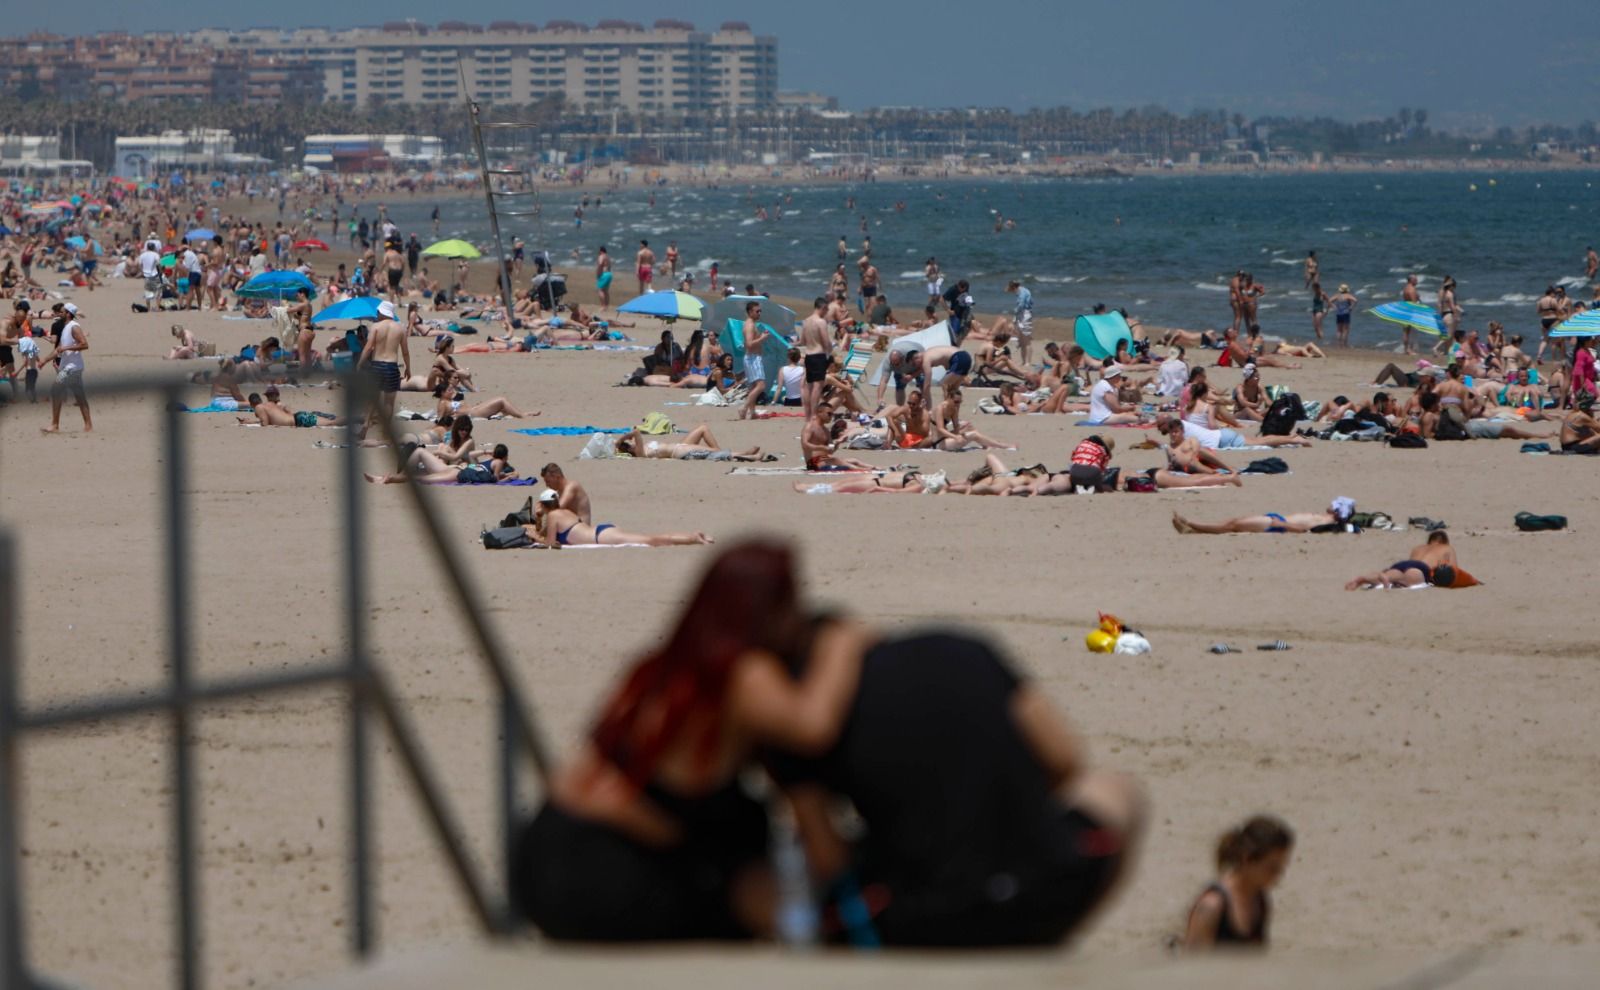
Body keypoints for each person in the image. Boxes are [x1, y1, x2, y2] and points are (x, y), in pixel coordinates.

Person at [770, 607, 1146, 946]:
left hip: (919, 916)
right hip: (1039, 885)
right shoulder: (959, 649)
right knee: (1117, 790)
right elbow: (1064, 760)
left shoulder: (798, 727)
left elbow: (827, 859)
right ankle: (1049, 942)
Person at [1182, 816, 1294, 950]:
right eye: (1271, 868)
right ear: (1246, 859)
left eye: (1281, 868)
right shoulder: (1212, 906)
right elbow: (1192, 966)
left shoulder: (1259, 901)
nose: (1278, 876)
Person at [527, 499, 711, 549]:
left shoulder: (553, 517)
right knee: (648, 539)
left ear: (543, 505)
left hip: (601, 537)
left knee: (651, 540)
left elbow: (551, 542)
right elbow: (546, 534)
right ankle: (693, 537)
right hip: (602, 531)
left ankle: (693, 537)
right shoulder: (564, 512)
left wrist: (536, 538)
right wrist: (537, 520)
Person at [357, 300, 411, 439]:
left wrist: (360, 364)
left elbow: (368, 348)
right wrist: (408, 368)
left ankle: (365, 426)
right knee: (389, 403)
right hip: (391, 367)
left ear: (381, 312)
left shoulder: (375, 327)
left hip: (377, 365)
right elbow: (405, 351)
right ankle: (385, 432)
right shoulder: (400, 328)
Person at [1172, 497, 1354, 535]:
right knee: (1232, 523)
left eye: (1335, 503)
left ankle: (1192, 523)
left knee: (1233, 524)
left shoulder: (1325, 521)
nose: (1330, 503)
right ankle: (1191, 531)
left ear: (1338, 511)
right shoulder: (1324, 517)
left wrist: (1282, 525)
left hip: (1277, 523)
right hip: (1277, 519)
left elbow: (1304, 530)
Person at [1345, 531, 1459, 590]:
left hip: (1403, 564)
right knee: (1406, 579)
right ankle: (1385, 578)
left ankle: (1365, 579)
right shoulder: (1447, 548)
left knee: (1394, 575)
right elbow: (1452, 570)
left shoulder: (1418, 548)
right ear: (1445, 542)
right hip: (1421, 568)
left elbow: (1410, 564)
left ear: (1429, 541)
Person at [44, 302, 91, 433]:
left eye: (63, 312)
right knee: (79, 395)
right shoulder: (65, 327)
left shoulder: (74, 327)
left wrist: (66, 347)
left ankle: (55, 425)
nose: (61, 313)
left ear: (68, 314)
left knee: (56, 388)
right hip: (71, 366)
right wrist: (45, 360)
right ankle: (88, 425)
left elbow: (85, 344)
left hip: (71, 367)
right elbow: (59, 348)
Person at [616, 424, 763, 462]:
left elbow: (635, 432)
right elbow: (636, 432)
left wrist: (622, 442)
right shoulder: (641, 454)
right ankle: (747, 456)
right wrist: (621, 440)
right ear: (630, 451)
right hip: (680, 452)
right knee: (712, 453)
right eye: (630, 446)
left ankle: (722, 452)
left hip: (680, 445)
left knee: (702, 429)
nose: (633, 444)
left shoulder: (642, 448)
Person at [799, 296, 833, 422]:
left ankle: (808, 415)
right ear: (822, 308)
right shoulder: (821, 322)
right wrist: (830, 352)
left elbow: (802, 340)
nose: (826, 312)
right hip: (818, 355)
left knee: (809, 386)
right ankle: (813, 414)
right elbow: (825, 341)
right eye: (826, 309)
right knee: (817, 387)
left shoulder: (806, 321)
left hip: (808, 355)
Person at [738, 301, 772, 421]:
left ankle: (752, 412)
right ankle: (744, 407)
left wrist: (760, 336)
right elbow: (749, 344)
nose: (759, 313)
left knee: (753, 387)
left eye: (760, 311)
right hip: (753, 358)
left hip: (752, 357)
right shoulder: (750, 325)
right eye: (757, 311)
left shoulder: (752, 324)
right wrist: (762, 338)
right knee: (761, 385)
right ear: (750, 312)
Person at [1007, 280, 1035, 366]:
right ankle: (1024, 361)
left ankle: (1028, 362)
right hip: (1023, 314)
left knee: (1026, 340)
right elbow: (1032, 302)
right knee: (1022, 340)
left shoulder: (1022, 293)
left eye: (1011, 290)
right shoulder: (1022, 291)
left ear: (1013, 287)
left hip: (1024, 314)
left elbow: (1021, 305)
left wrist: (1015, 313)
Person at [595, 245, 613, 310]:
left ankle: (603, 306)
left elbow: (600, 264)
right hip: (609, 274)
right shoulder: (608, 257)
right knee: (606, 291)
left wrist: (598, 273)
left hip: (604, 274)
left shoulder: (601, 256)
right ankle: (606, 306)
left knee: (600, 290)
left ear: (600, 251)